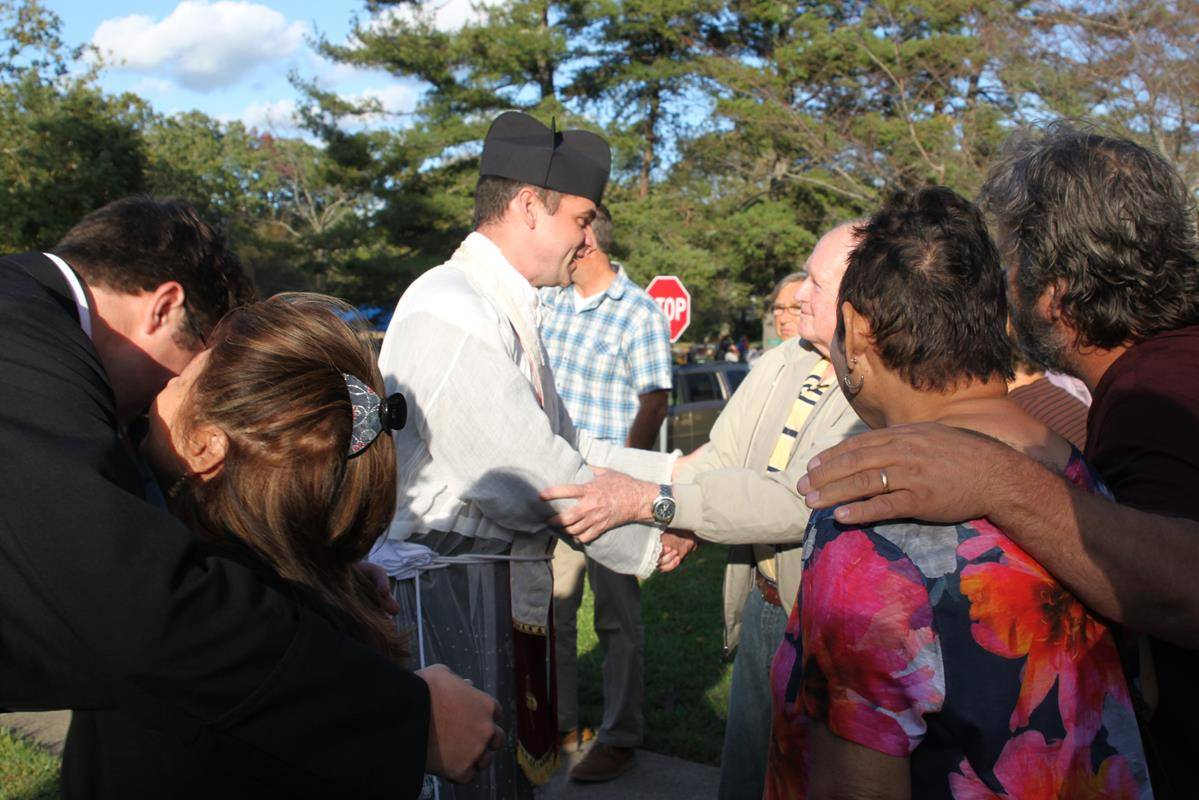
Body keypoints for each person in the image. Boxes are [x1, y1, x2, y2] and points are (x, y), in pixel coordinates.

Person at [0, 197, 497, 800]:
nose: (155, 399)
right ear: (163, 308)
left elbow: (129, 587)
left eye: (181, 381)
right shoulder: (19, 341)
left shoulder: (210, 657)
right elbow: (125, 592)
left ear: (210, 447)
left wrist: (304, 572)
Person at [797, 125, 1199, 799]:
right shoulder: (1119, 417)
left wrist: (995, 477)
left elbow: (1182, 589)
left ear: (1057, 289)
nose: (1006, 287)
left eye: (1013, 261)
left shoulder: (1153, 394)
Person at [376, 111, 679, 799]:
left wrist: (668, 477)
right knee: (472, 780)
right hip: (454, 587)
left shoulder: (502, 304)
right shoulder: (451, 308)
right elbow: (530, 478)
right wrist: (658, 531)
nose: (587, 239)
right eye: (579, 218)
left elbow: (565, 443)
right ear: (525, 207)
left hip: (494, 582)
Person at [543, 222, 869, 799]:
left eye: (816, 285)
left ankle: (618, 735)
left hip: (819, 620)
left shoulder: (871, 383)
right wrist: (670, 500)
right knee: (743, 777)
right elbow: (722, 456)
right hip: (765, 606)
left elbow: (796, 501)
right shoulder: (782, 361)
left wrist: (656, 503)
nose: (798, 297)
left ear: (859, 293)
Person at [539, 204, 673, 780]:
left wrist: (629, 483)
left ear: (586, 239)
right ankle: (562, 725)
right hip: (555, 485)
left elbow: (655, 400)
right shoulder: (548, 303)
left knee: (617, 619)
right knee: (553, 611)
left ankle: (619, 736)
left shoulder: (638, 312)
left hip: (612, 495)